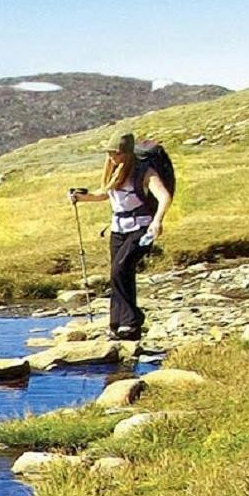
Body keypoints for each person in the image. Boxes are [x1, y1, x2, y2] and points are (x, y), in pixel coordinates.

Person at [69, 131, 171, 342]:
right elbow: (104, 194)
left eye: (115, 153)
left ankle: (132, 321)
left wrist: (157, 221)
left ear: (125, 153)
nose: (111, 157)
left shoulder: (145, 171)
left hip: (142, 228)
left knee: (120, 269)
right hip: (118, 229)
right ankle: (118, 324)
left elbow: (164, 196)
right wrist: (81, 198)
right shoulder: (113, 171)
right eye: (109, 153)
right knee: (121, 275)